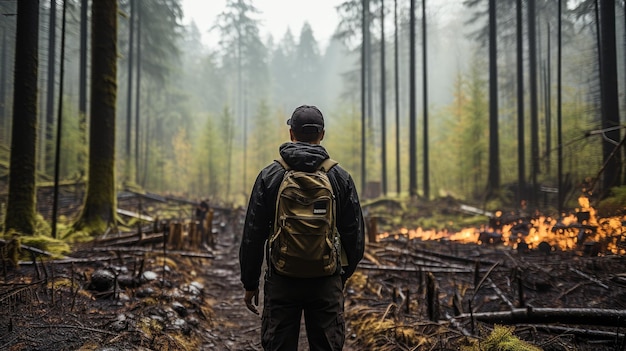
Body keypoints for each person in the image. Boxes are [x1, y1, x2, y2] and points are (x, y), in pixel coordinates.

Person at [239, 105, 365, 350]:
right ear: (322, 134)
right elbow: (355, 235)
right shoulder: (339, 177)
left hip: (282, 277)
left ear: (291, 134)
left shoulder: (270, 175)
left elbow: (253, 234)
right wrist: (342, 275)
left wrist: (250, 283)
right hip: (326, 279)